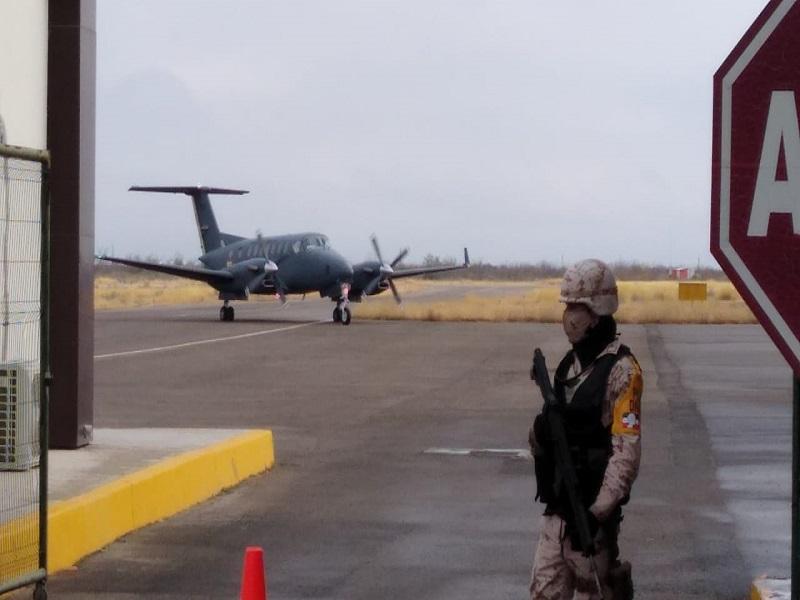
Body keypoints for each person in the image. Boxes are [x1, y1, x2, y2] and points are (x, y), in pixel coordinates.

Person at [529, 259, 642, 600]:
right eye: (567, 306)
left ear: (597, 312)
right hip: (558, 515)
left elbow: (626, 456)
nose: (569, 316)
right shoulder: (569, 366)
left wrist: (595, 515)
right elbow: (541, 442)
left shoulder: (622, 371)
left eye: (576, 306)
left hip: (591, 524)